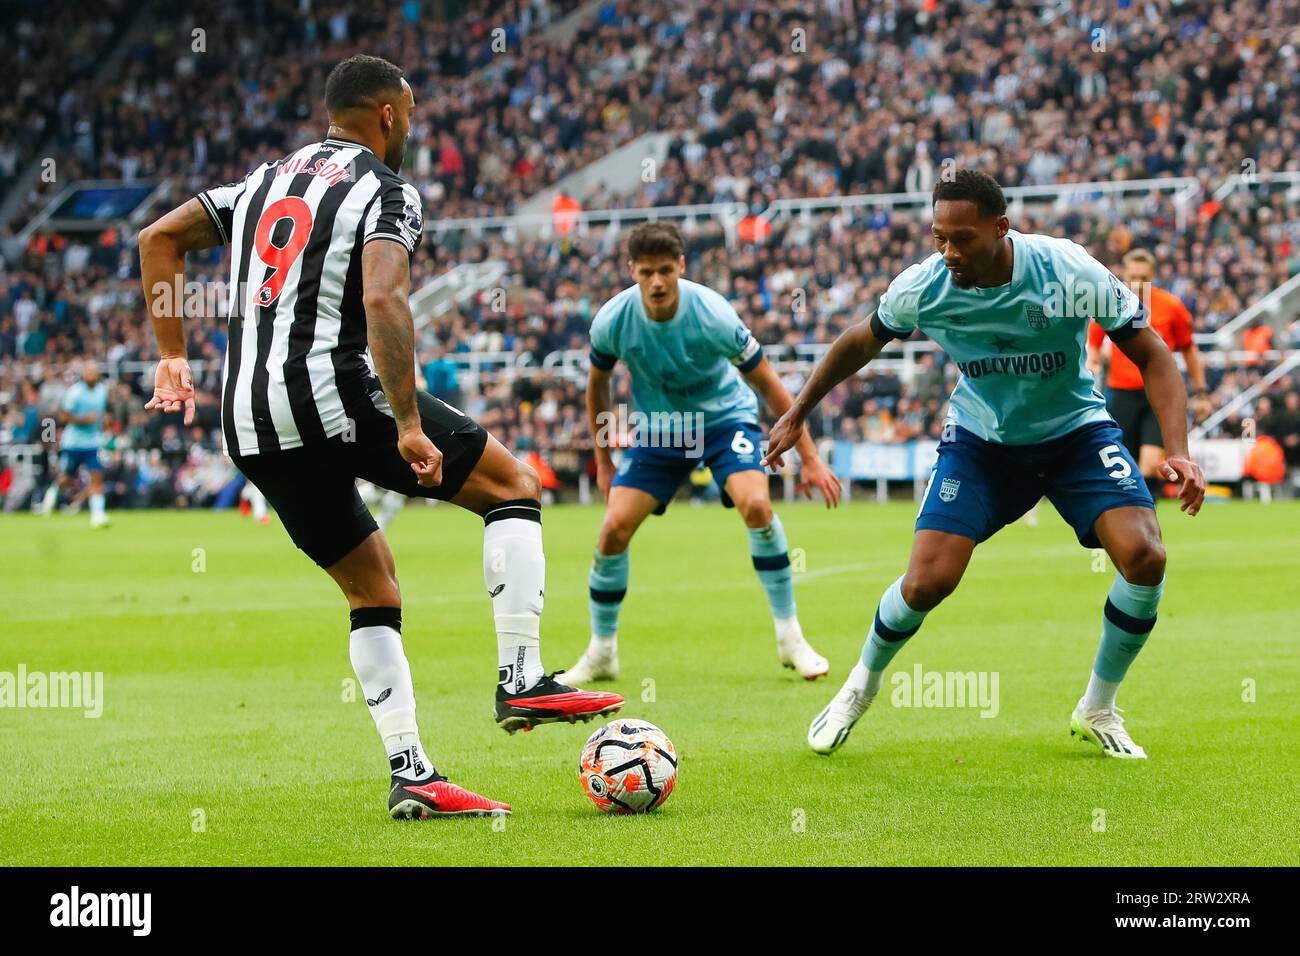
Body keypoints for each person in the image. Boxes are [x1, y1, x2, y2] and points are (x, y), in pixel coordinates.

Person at [137, 54, 622, 820]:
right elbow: (384, 297)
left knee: (373, 587)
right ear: (390, 114)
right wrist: (403, 424)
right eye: (414, 114)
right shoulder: (386, 191)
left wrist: (172, 355)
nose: (415, 128)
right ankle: (522, 676)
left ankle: (413, 773)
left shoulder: (261, 183)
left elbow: (157, 238)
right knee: (514, 488)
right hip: (335, 389)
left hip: (250, 418)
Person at [764, 170, 1205, 760]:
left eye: (962, 239)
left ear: (1002, 228)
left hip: (1075, 434)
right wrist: (797, 413)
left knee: (1146, 556)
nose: (948, 252)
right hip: (983, 443)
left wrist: (1177, 447)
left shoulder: (1068, 270)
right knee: (927, 581)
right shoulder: (924, 286)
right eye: (939, 237)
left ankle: (1098, 706)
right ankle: (857, 688)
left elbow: (1152, 352)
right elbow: (859, 342)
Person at [564, 222, 842, 686]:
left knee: (757, 504)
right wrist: (605, 459)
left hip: (724, 421)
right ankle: (601, 652)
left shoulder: (713, 313)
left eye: (666, 271)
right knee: (612, 528)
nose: (657, 282)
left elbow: (768, 382)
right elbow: (599, 385)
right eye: (647, 272)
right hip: (661, 431)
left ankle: (790, 638)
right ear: (632, 270)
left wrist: (809, 457)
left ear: (681, 268)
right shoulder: (613, 320)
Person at [1086, 248, 1208, 494]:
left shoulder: (1171, 306)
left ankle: (1146, 515)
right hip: (1119, 394)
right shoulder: (1113, 303)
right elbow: (1094, 343)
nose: (1137, 283)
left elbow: (1189, 349)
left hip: (1157, 394)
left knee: (1151, 464)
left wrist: (1202, 392)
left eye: (1143, 277)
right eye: (1133, 276)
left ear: (1153, 275)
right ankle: (1130, 519)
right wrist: (1093, 364)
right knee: (1121, 464)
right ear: (1123, 275)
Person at [41, 361, 111, 527]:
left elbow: (102, 413)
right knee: (66, 478)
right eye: (89, 373)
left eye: (94, 373)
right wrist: (84, 420)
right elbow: (63, 417)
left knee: (96, 476)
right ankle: (51, 496)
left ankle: (98, 515)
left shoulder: (102, 391)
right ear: (84, 375)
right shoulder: (74, 393)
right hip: (73, 443)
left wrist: (104, 422)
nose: (92, 376)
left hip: (93, 442)